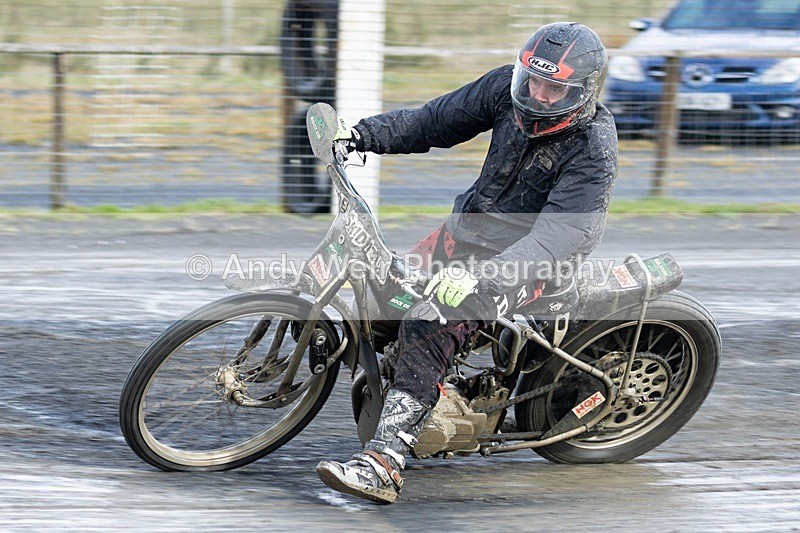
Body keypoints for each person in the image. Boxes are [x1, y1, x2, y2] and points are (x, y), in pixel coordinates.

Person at [315, 21, 618, 504]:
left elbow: (563, 235)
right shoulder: (504, 88)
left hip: (527, 268)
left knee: (426, 320)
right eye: (532, 81)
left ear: (582, 93)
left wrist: (481, 277)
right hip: (464, 236)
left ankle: (386, 461)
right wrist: (361, 135)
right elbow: (436, 120)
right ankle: (420, 384)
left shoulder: (592, 148)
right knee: (382, 293)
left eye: (553, 88)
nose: (537, 95)